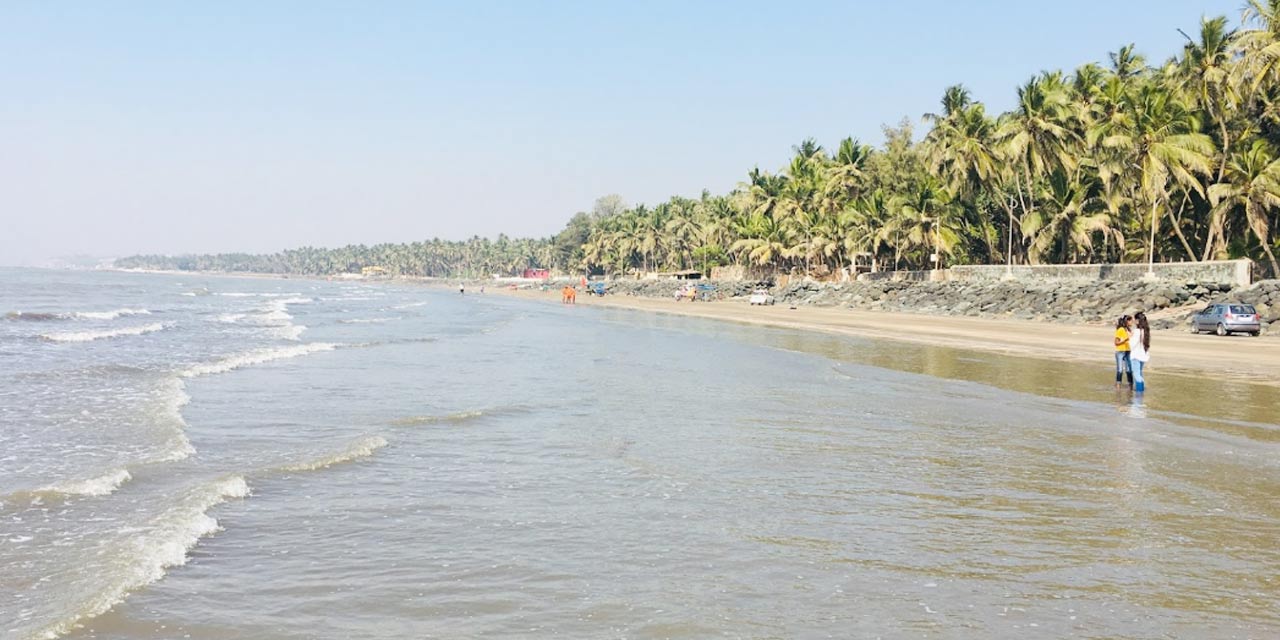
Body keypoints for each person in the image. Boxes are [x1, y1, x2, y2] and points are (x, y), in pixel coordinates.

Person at [1130, 312, 1151, 393]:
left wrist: (1130, 337)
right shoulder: (1145, 331)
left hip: (1136, 355)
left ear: (1138, 320)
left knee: (1136, 374)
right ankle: (1140, 392)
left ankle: (1139, 392)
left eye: (1135, 320)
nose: (1134, 321)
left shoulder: (1137, 331)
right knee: (1139, 373)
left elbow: (1132, 344)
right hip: (1143, 355)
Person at [1114, 315, 1132, 389]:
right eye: (1130, 320)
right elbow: (1116, 342)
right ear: (1126, 321)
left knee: (1129, 370)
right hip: (1120, 351)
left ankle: (1130, 385)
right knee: (1120, 369)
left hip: (1128, 351)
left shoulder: (1128, 330)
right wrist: (1124, 341)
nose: (1132, 322)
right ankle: (1118, 385)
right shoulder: (1120, 330)